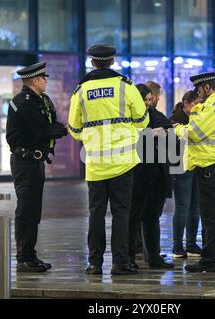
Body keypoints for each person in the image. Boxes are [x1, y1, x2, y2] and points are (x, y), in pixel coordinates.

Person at [68, 44, 149, 276]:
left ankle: (94, 263)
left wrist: (91, 136)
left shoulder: (81, 91)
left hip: (95, 165)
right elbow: (143, 120)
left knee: (96, 214)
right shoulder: (125, 86)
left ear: (92, 62)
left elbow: (74, 129)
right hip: (123, 163)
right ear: (112, 62)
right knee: (121, 214)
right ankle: (120, 263)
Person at [173, 72, 215, 273]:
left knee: (211, 216)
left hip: (210, 168)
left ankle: (209, 260)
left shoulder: (212, 107)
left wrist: (177, 128)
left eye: (199, 89)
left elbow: (194, 132)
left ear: (207, 87)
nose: (198, 93)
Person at [6, 61, 68, 272]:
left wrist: (59, 129)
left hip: (35, 161)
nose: (46, 81)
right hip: (25, 162)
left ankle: (30, 255)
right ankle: (24, 257)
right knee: (26, 210)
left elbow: (50, 125)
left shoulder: (40, 99)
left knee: (33, 210)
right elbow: (40, 130)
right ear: (34, 80)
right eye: (43, 78)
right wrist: (64, 130)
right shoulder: (23, 102)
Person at [127, 83, 175, 270]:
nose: (148, 104)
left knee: (153, 217)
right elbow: (127, 138)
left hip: (157, 176)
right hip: (138, 176)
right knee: (134, 217)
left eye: (149, 100)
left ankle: (154, 257)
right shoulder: (130, 119)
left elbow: (171, 138)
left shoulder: (157, 116)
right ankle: (129, 257)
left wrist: (170, 133)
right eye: (144, 100)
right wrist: (150, 134)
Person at [170, 91, 202, 259]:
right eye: (196, 103)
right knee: (182, 207)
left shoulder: (198, 118)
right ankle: (177, 246)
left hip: (195, 165)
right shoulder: (175, 120)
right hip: (181, 167)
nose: (199, 106)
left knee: (195, 207)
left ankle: (191, 244)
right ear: (186, 103)